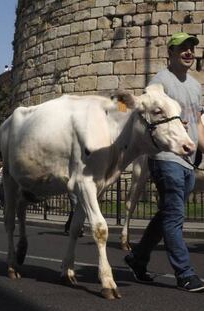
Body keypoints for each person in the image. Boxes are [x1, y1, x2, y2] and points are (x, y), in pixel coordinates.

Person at [124, 32, 204, 292]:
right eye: (182, 48)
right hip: (166, 157)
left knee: (166, 214)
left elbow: (198, 124)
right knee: (174, 216)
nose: (188, 52)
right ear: (170, 52)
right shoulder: (160, 82)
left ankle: (138, 258)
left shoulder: (195, 86)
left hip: (188, 159)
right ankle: (185, 273)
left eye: (191, 47)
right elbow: (149, 114)